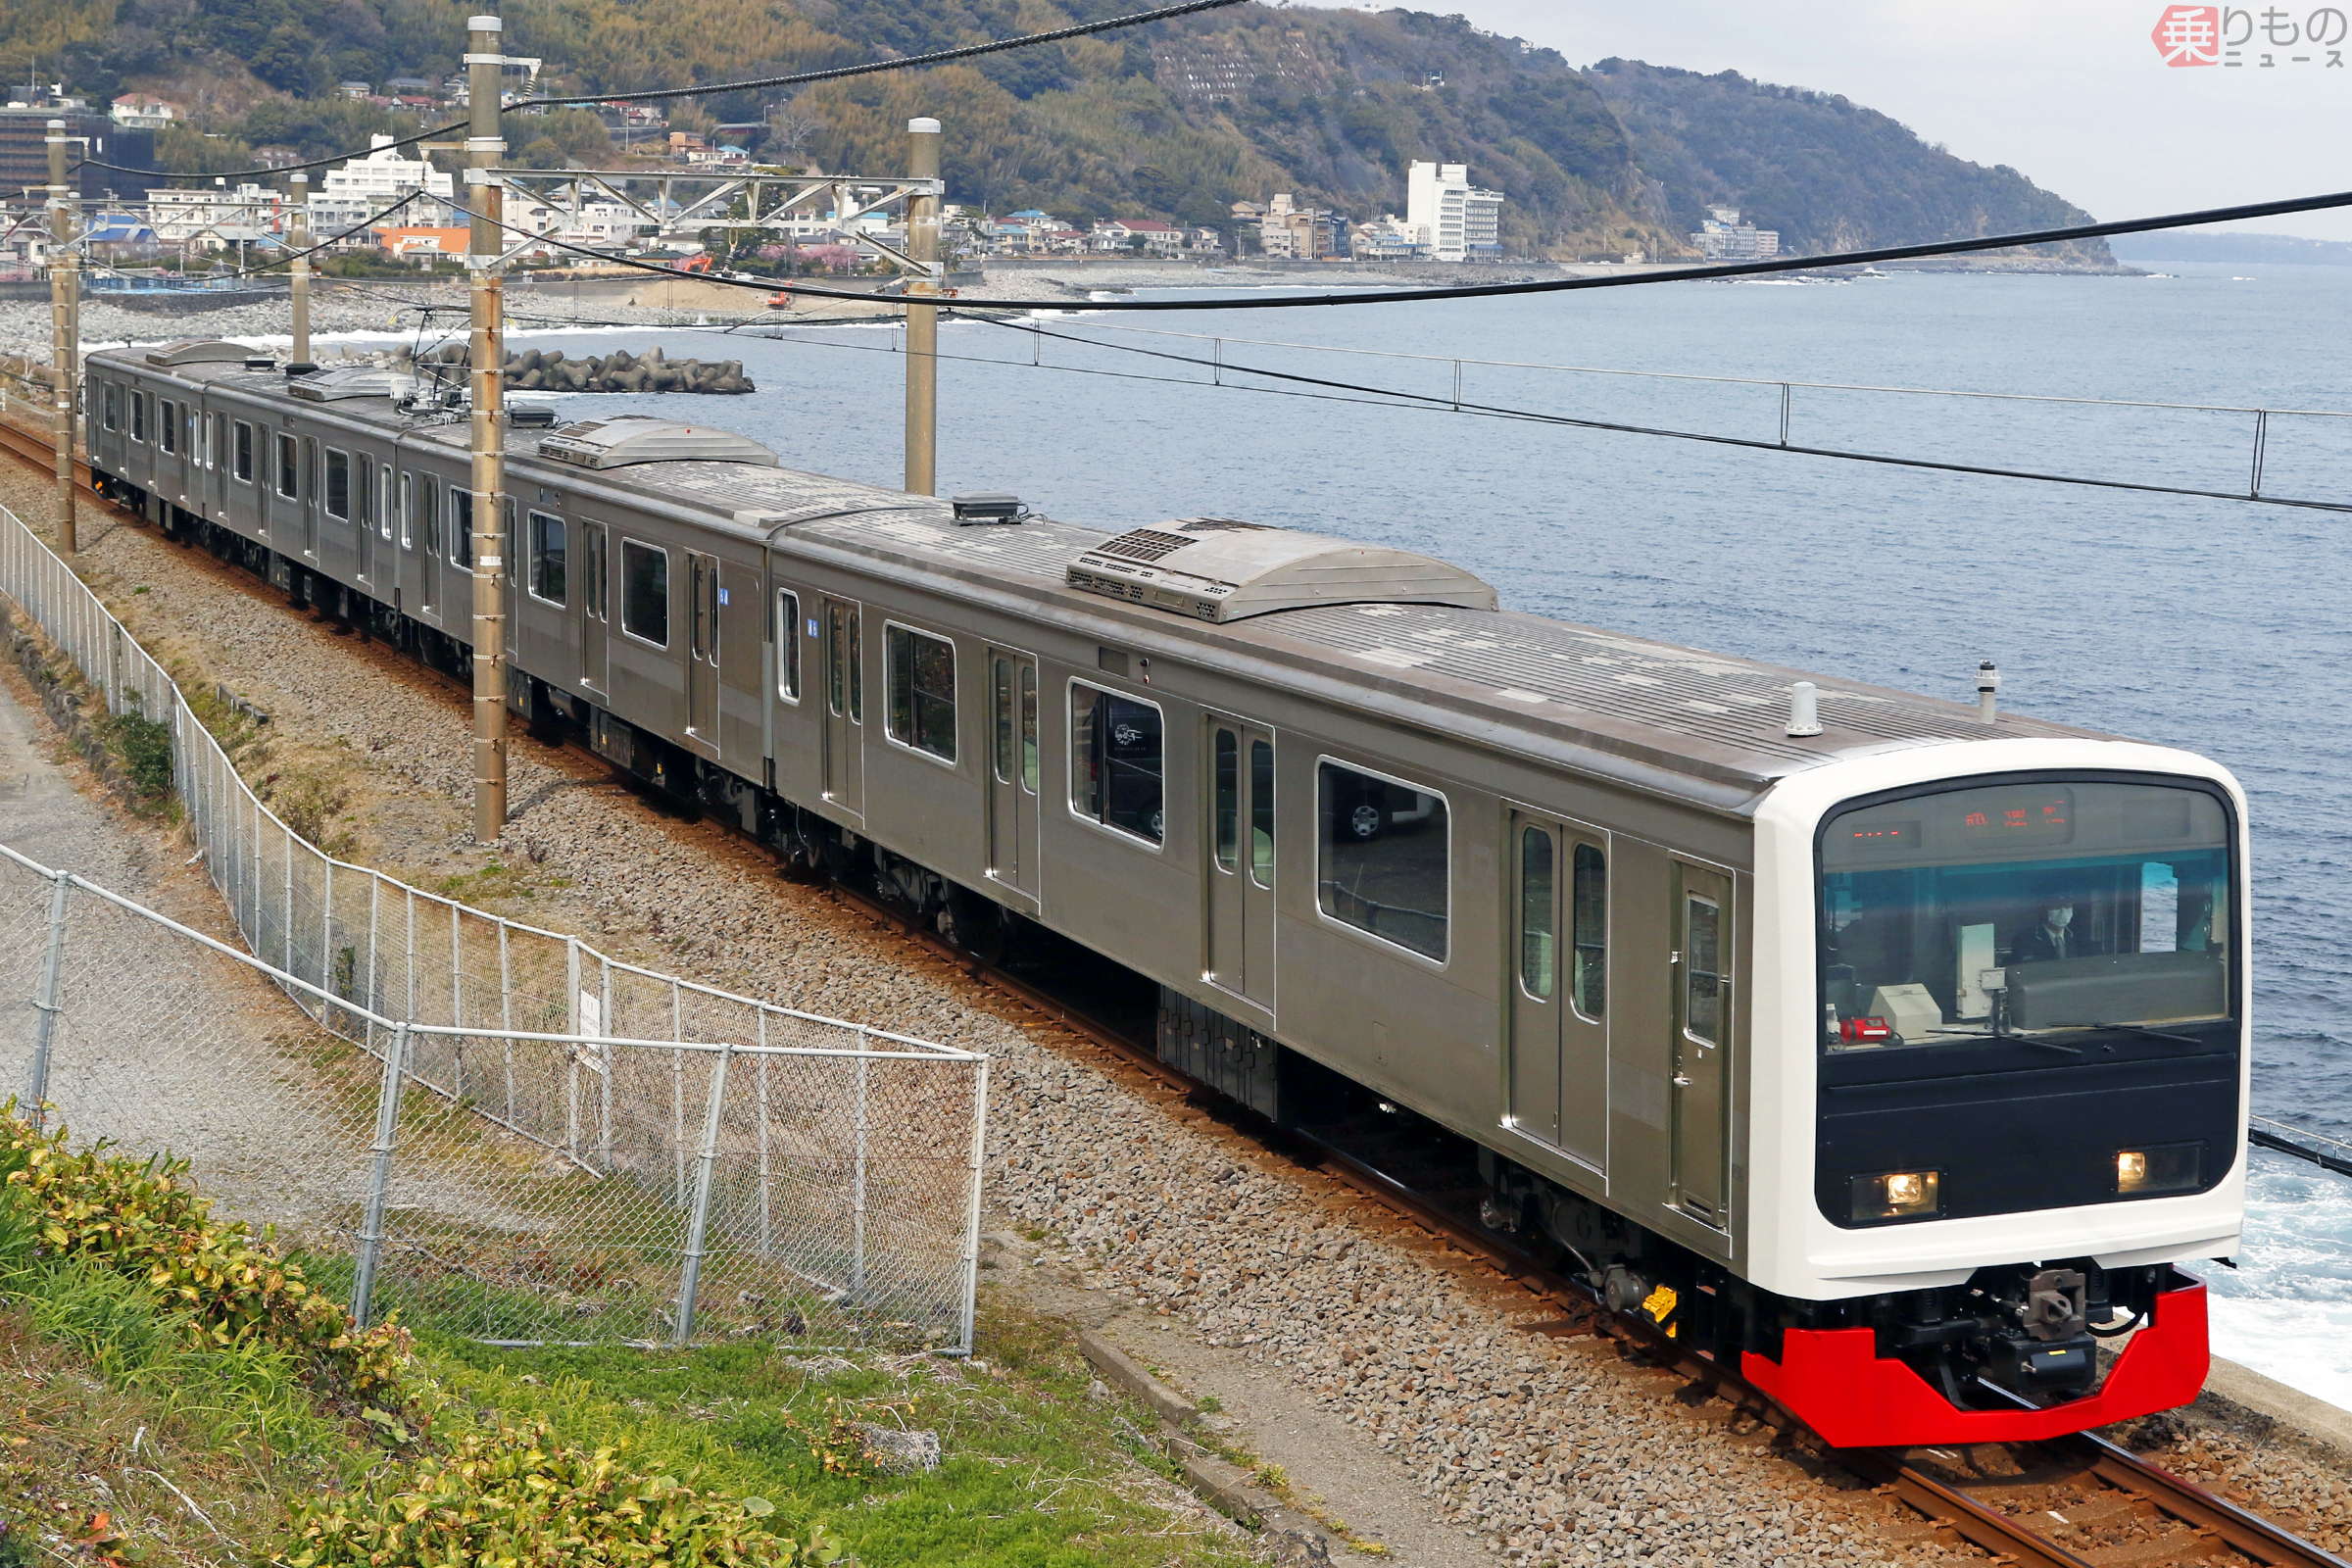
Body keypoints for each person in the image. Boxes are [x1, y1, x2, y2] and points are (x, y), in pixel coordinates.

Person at [2012, 903, 2086, 963]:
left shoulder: (2078, 936)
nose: (2063, 911)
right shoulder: (2025, 939)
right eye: (2056, 907)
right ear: (2043, 911)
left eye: (2067, 906)